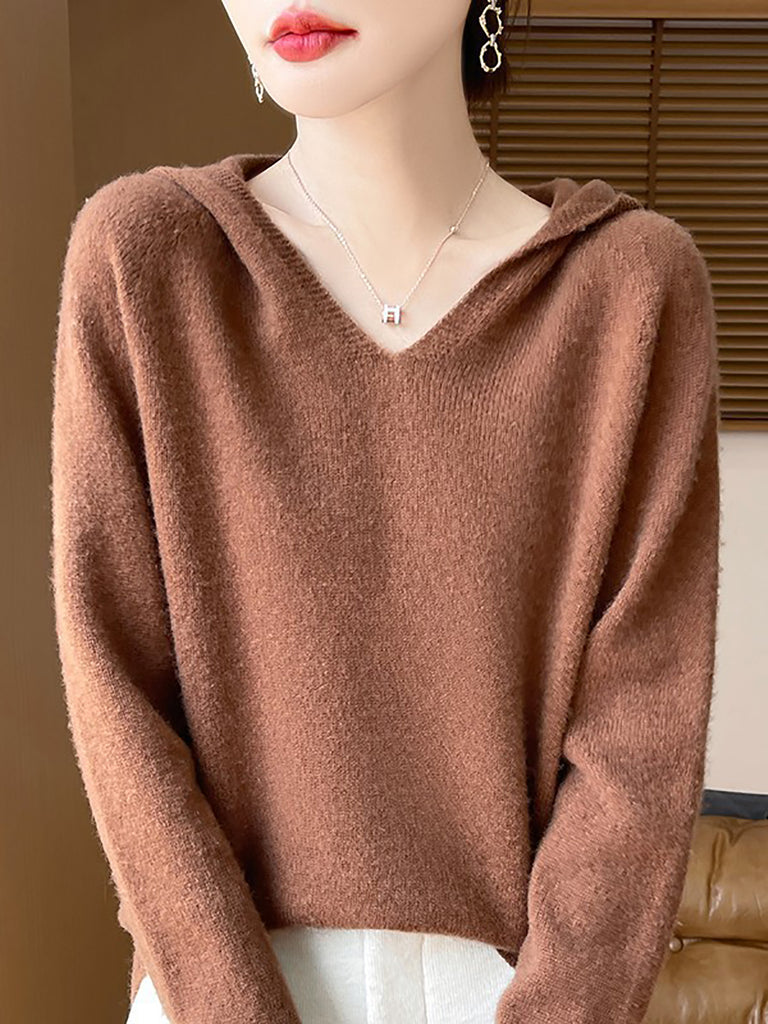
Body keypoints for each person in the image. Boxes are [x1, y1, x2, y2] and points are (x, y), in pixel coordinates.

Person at [50, 1, 721, 1023]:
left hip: (511, 991)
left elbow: (641, 742)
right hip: (212, 990)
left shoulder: (631, 290)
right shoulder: (147, 259)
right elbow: (114, 688)